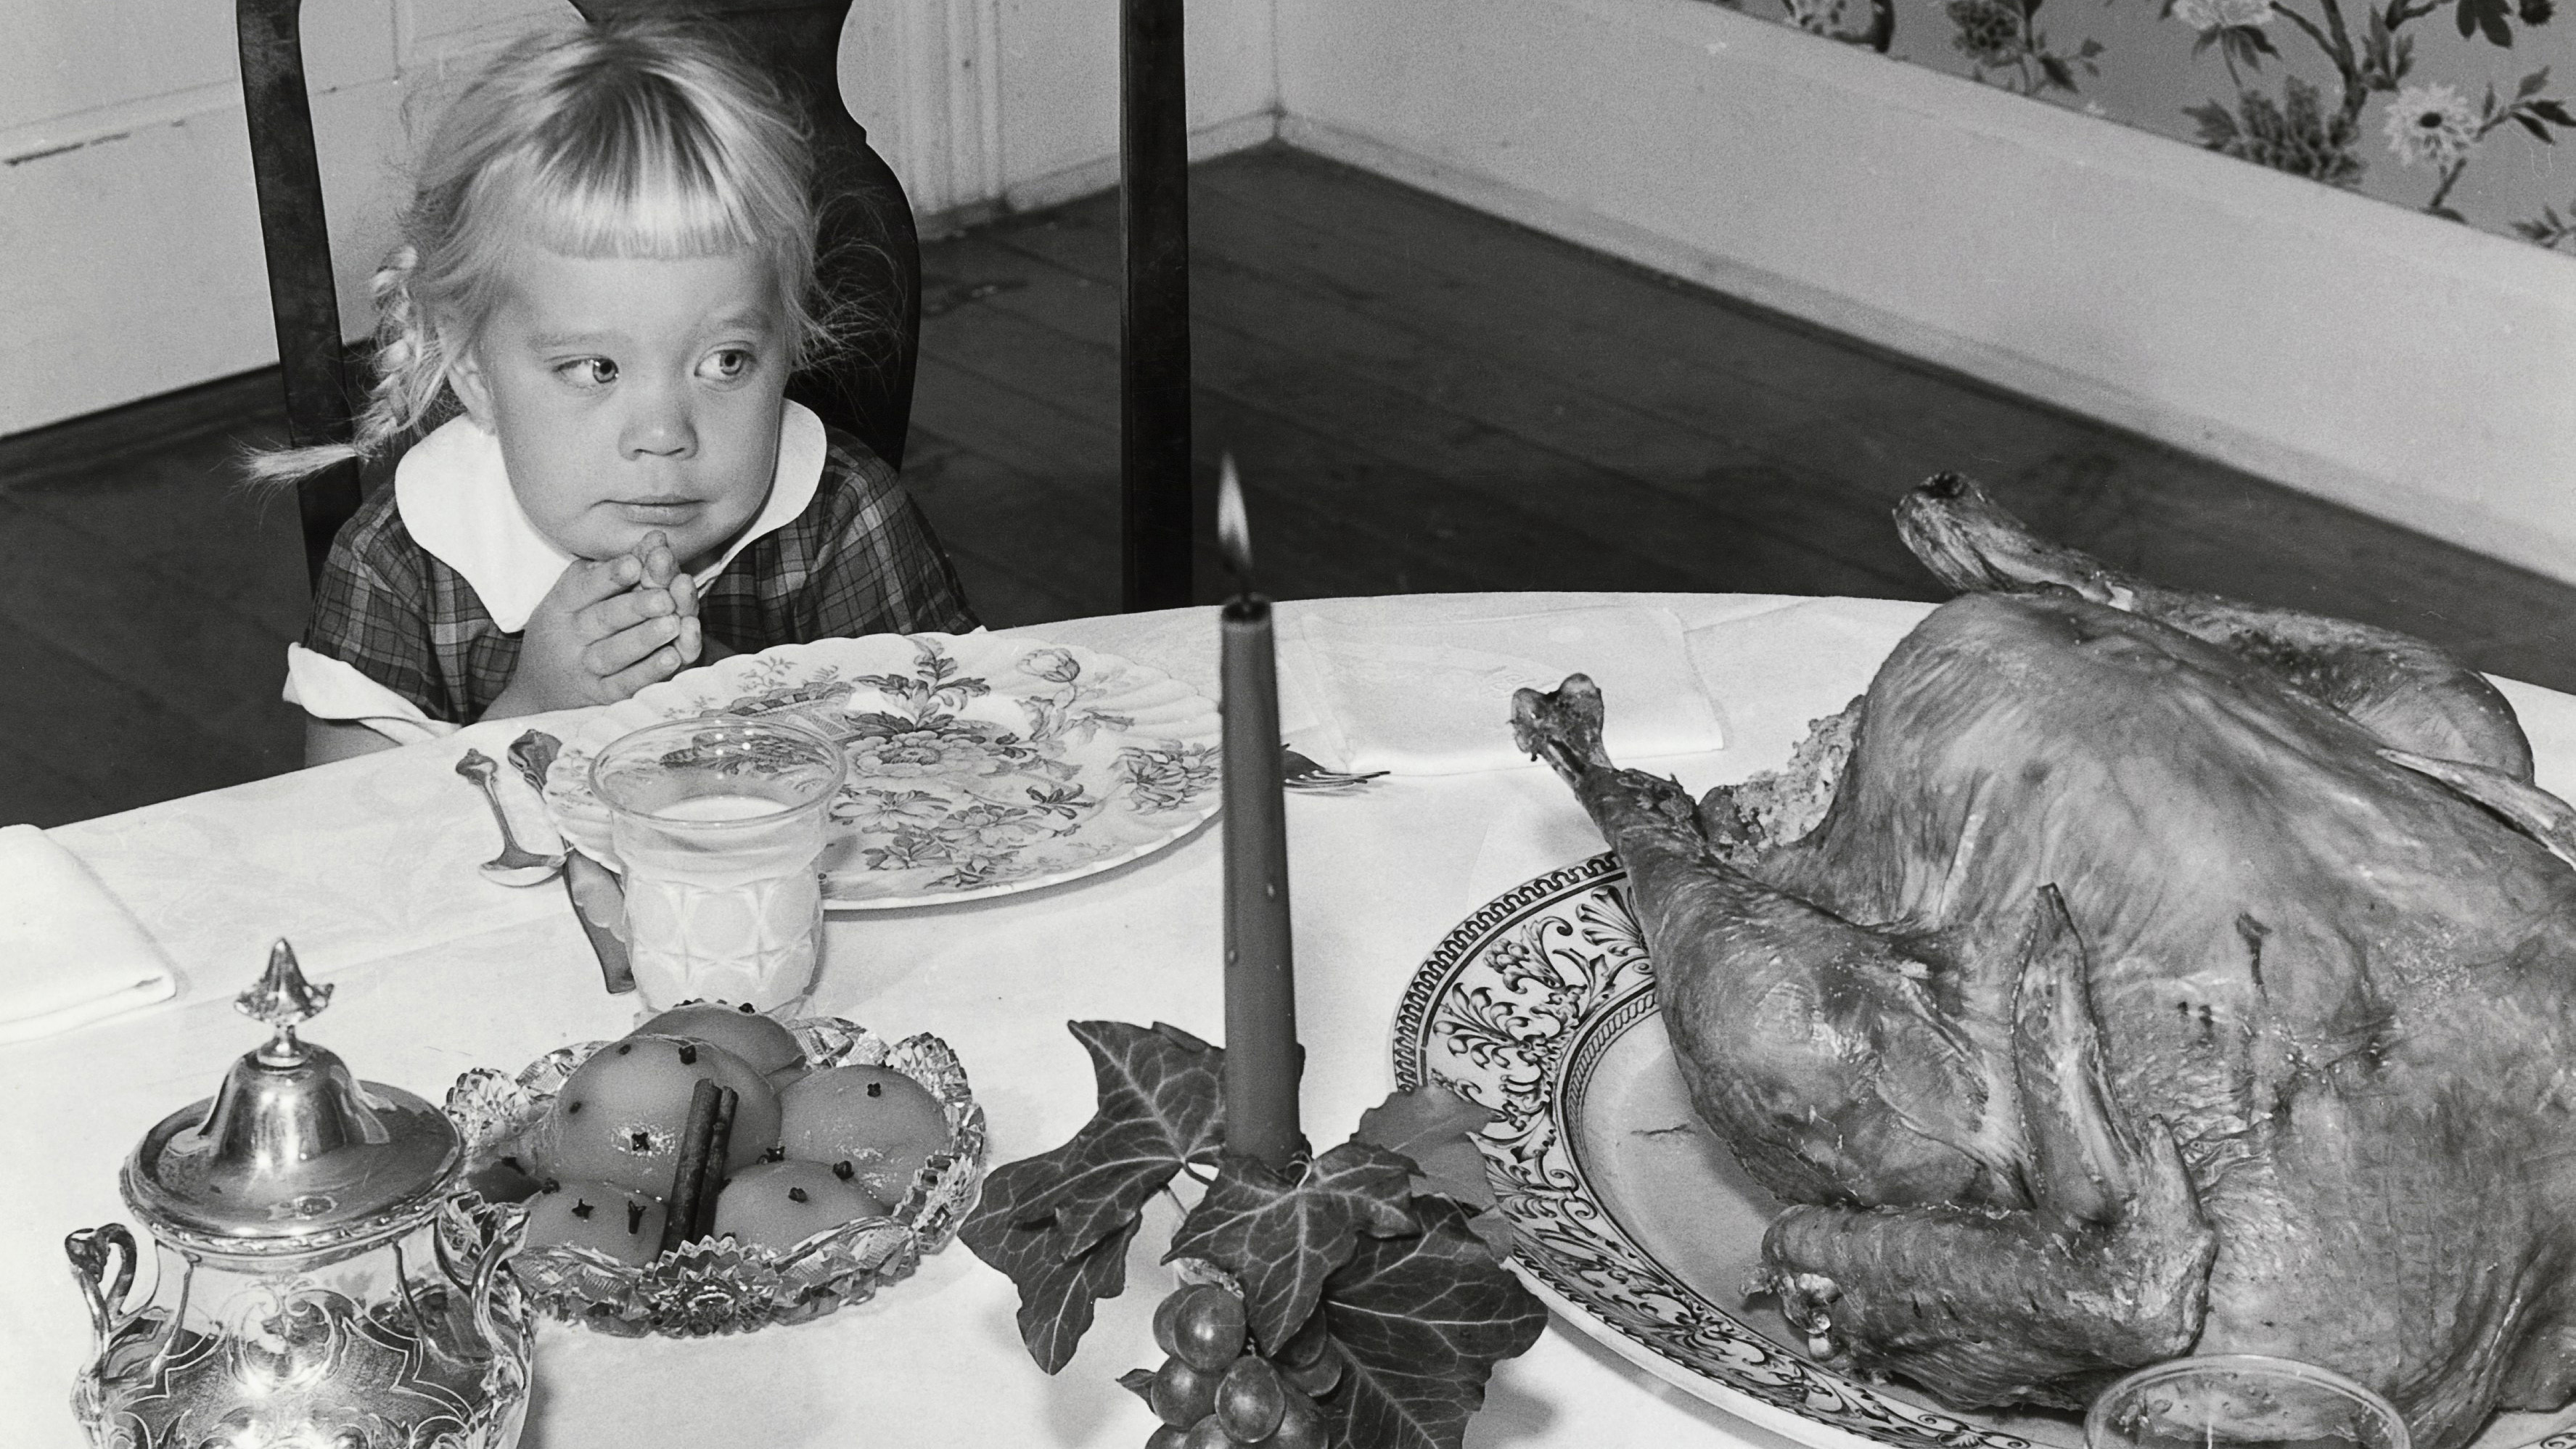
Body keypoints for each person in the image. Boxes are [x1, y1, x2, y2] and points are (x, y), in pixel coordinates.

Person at [250, 20, 976, 765]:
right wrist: (533, 708)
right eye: (597, 369)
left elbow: (963, 763)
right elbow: (346, 821)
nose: (664, 433)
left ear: (787, 346)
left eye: (725, 361)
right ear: (473, 369)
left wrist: (736, 698)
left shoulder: (844, 516)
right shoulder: (403, 561)